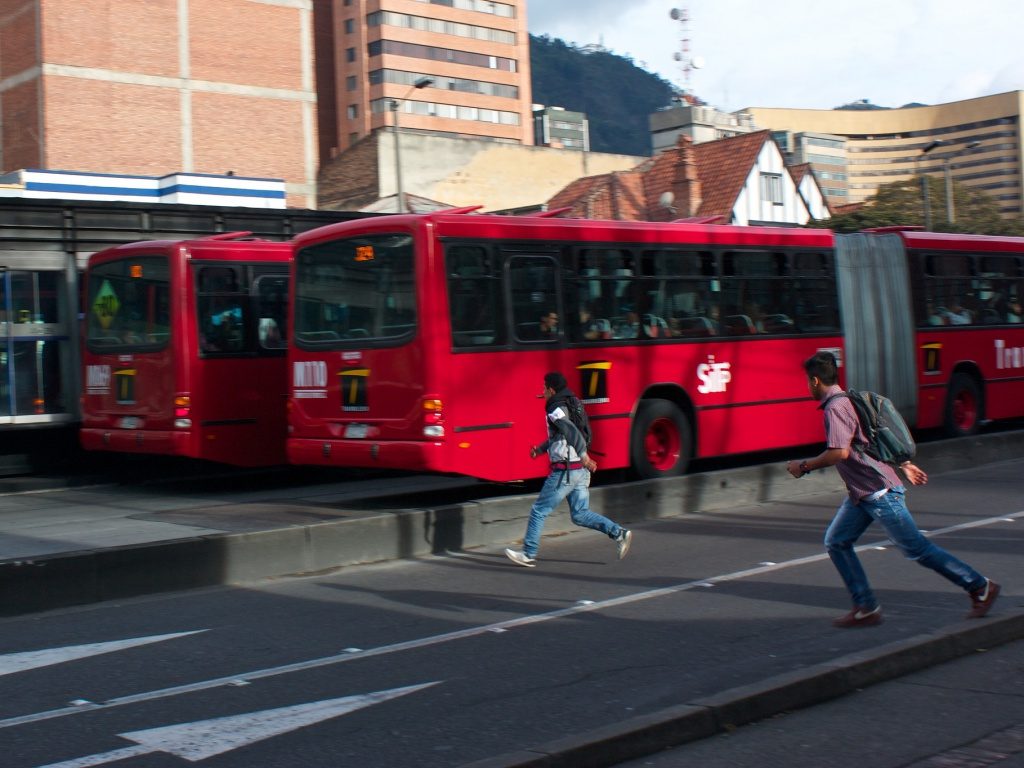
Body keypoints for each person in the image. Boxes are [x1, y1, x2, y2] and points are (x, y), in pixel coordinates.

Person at [786, 351, 1000, 628]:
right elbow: (872, 442)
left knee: (917, 549)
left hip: (878, 493)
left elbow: (839, 452)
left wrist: (803, 466)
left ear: (815, 381)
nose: (807, 386)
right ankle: (866, 607)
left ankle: (980, 586)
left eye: (807, 381)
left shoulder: (835, 408)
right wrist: (904, 464)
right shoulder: (850, 399)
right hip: (862, 493)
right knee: (837, 542)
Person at [505, 371, 632, 567]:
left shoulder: (555, 407)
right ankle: (619, 533)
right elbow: (560, 435)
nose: (542, 391)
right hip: (579, 471)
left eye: (543, 387)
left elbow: (569, 430)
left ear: (551, 389)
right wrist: (540, 450)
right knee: (580, 514)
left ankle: (528, 553)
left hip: (566, 470)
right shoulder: (571, 402)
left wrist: (584, 456)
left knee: (539, 510)